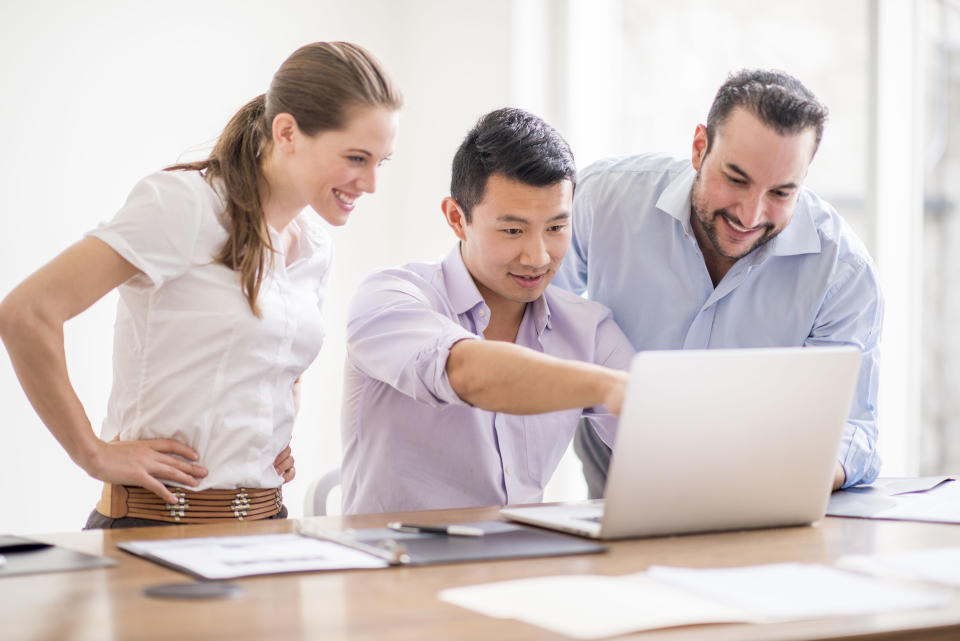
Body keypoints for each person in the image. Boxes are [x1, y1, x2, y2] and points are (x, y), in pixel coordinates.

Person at [0, 42, 401, 528]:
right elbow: (27, 312)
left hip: (269, 523)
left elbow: (275, 360)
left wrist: (262, 441)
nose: (371, 183)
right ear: (288, 132)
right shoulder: (184, 205)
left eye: (382, 161)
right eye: (357, 158)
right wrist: (92, 453)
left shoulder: (314, 246)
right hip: (155, 528)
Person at [554, 69, 883, 497]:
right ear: (699, 149)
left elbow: (856, 431)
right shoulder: (603, 200)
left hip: (762, 469)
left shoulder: (843, 273)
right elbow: (534, 314)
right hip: (616, 448)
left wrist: (792, 475)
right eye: (736, 179)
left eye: (781, 193)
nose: (750, 215)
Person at [340, 108, 635, 514]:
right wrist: (608, 387)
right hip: (397, 561)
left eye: (556, 228)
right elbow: (467, 372)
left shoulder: (589, 328)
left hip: (520, 563)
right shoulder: (390, 298)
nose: (538, 256)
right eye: (512, 230)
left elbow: (664, 445)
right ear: (456, 219)